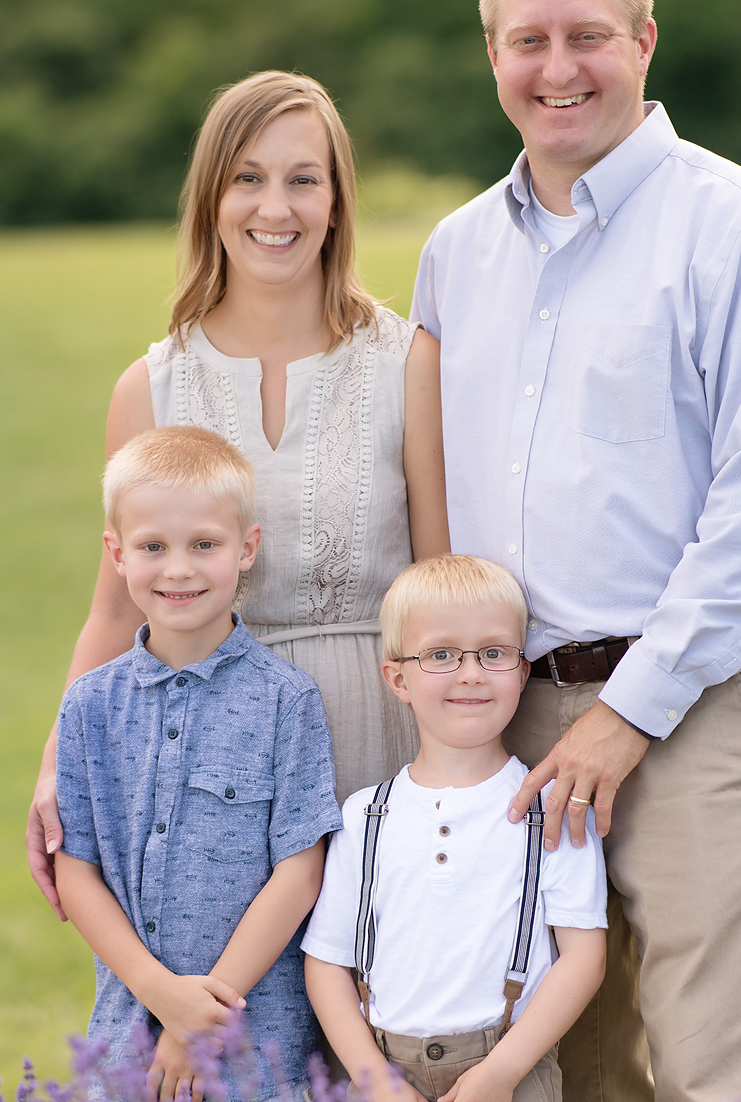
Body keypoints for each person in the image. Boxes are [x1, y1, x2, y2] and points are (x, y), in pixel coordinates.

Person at [411, 0, 741, 1102]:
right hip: (517, 728)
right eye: (528, 40)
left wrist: (631, 713)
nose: (560, 68)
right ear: (492, 55)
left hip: (703, 706)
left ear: (644, 42)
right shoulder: (456, 254)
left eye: (587, 35)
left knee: (723, 1099)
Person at [28, 69, 448, 911]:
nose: (275, 208)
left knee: (390, 1031)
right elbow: (116, 612)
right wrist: (56, 770)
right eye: (248, 179)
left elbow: (443, 583)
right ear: (210, 198)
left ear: (337, 201)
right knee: (235, 1026)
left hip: (388, 743)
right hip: (204, 750)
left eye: (303, 180)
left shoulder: (408, 364)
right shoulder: (150, 388)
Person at [304, 555, 606, 1102]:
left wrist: (503, 1073)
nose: (469, 674)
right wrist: (371, 1081)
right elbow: (327, 964)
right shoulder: (366, 817)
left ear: (523, 667)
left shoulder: (547, 812)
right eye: (441, 655)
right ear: (397, 677)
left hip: (500, 1087)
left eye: (493, 653)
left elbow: (583, 958)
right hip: (389, 1090)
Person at [54, 425, 342, 1102]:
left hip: (262, 1058)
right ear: (116, 553)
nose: (178, 568)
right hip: (132, 1056)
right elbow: (76, 870)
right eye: (153, 546)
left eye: (204, 544)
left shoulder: (286, 701)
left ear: (247, 548)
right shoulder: (91, 707)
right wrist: (158, 998)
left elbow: (299, 869)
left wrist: (195, 1019)